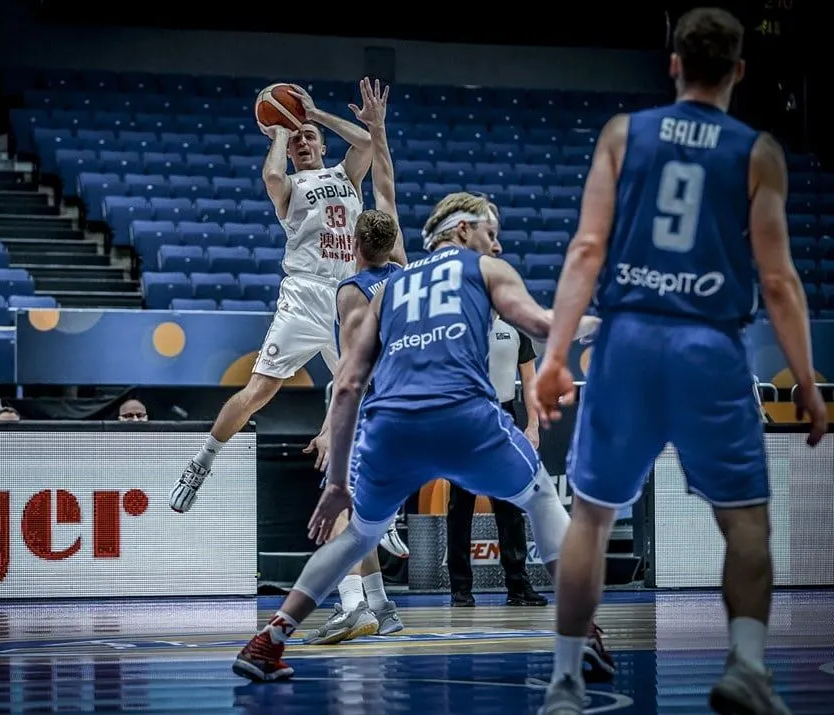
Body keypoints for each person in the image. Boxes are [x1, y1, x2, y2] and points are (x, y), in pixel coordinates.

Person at [529, 8, 827, 714]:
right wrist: (807, 382)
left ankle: (566, 681)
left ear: (673, 64)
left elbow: (586, 250)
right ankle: (746, 665)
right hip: (709, 346)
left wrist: (555, 354)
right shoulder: (758, 152)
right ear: (739, 71)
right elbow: (779, 281)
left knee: (591, 518)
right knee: (745, 523)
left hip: (627, 341)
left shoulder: (623, 134)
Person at [231, 191, 609, 683]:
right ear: (462, 230)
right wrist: (603, 325)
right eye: (490, 233)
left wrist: (338, 483)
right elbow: (541, 325)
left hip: (392, 428)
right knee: (540, 499)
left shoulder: (389, 288)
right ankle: (582, 634)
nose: (496, 245)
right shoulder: (486, 269)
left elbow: (347, 385)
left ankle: (269, 641)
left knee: (359, 535)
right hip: (463, 416)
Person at [170, 86, 374, 513]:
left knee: (367, 395)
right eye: (296, 141)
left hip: (347, 296)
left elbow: (367, 141)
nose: (303, 144)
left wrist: (314, 115)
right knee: (260, 390)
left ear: (322, 145)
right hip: (305, 294)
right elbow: (272, 177)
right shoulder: (290, 185)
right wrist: (282, 130)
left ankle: (373, 505)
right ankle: (201, 462)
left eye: (309, 138)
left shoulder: (346, 176)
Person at [300, 78, 409, 646]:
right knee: (361, 503)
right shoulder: (407, 271)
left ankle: (353, 605)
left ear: (355, 246)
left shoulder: (352, 290)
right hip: (410, 393)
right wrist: (378, 130)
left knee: (337, 500)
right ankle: (382, 606)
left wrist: (328, 426)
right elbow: (385, 183)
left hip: (370, 399)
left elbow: (348, 373)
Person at [447, 309, 547, 608]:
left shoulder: (516, 325)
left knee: (510, 505)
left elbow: (529, 380)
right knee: (460, 506)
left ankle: (518, 586)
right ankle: (460, 589)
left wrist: (533, 425)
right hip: (464, 416)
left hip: (505, 416)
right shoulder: (456, 324)